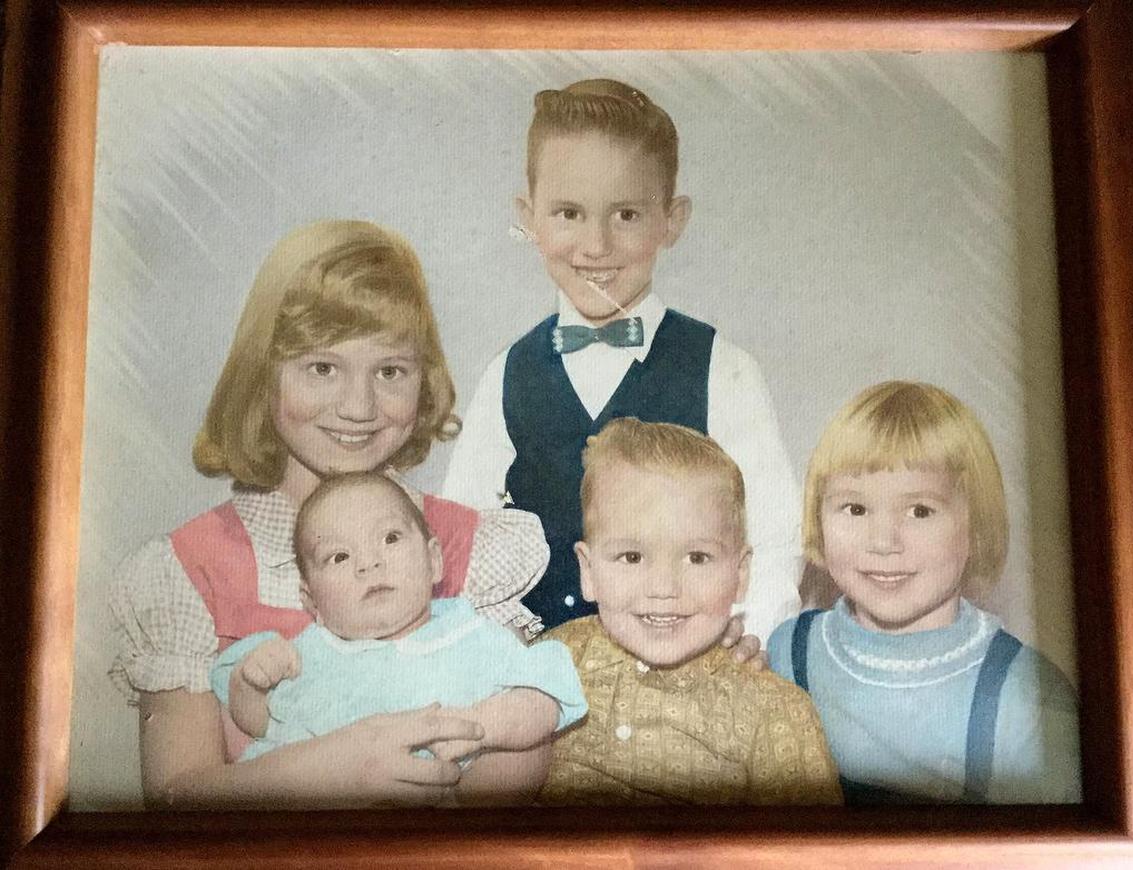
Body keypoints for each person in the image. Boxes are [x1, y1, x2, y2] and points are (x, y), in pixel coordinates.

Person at [109, 220, 550, 808]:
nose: (359, 407)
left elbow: (515, 768)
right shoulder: (191, 570)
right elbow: (176, 797)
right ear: (263, 374)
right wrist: (334, 767)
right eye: (322, 368)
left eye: (390, 371)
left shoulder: (469, 550)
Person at [442, 78, 801, 641]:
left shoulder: (721, 370)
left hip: (680, 666)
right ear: (530, 218)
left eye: (626, 215)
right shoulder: (508, 374)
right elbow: (458, 536)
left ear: (671, 220)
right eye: (568, 213)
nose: (597, 245)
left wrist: (750, 627)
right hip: (537, 677)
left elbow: (776, 534)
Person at [767, 381, 1081, 804]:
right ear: (818, 518)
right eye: (856, 508)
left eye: (920, 510)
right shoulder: (787, 653)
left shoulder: (1026, 697)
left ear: (976, 527)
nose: (884, 541)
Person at [211, 472, 586, 804]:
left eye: (390, 537)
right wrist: (251, 682)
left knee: (522, 753)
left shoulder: (471, 633)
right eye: (339, 557)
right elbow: (256, 723)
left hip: (442, 806)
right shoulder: (304, 653)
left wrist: (483, 724)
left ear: (434, 560)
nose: (368, 563)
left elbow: (547, 697)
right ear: (312, 601)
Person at [538, 419, 842, 806]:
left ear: (740, 574)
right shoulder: (542, 668)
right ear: (589, 571)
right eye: (632, 556)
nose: (664, 588)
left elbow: (812, 853)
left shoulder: (777, 714)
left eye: (697, 558)